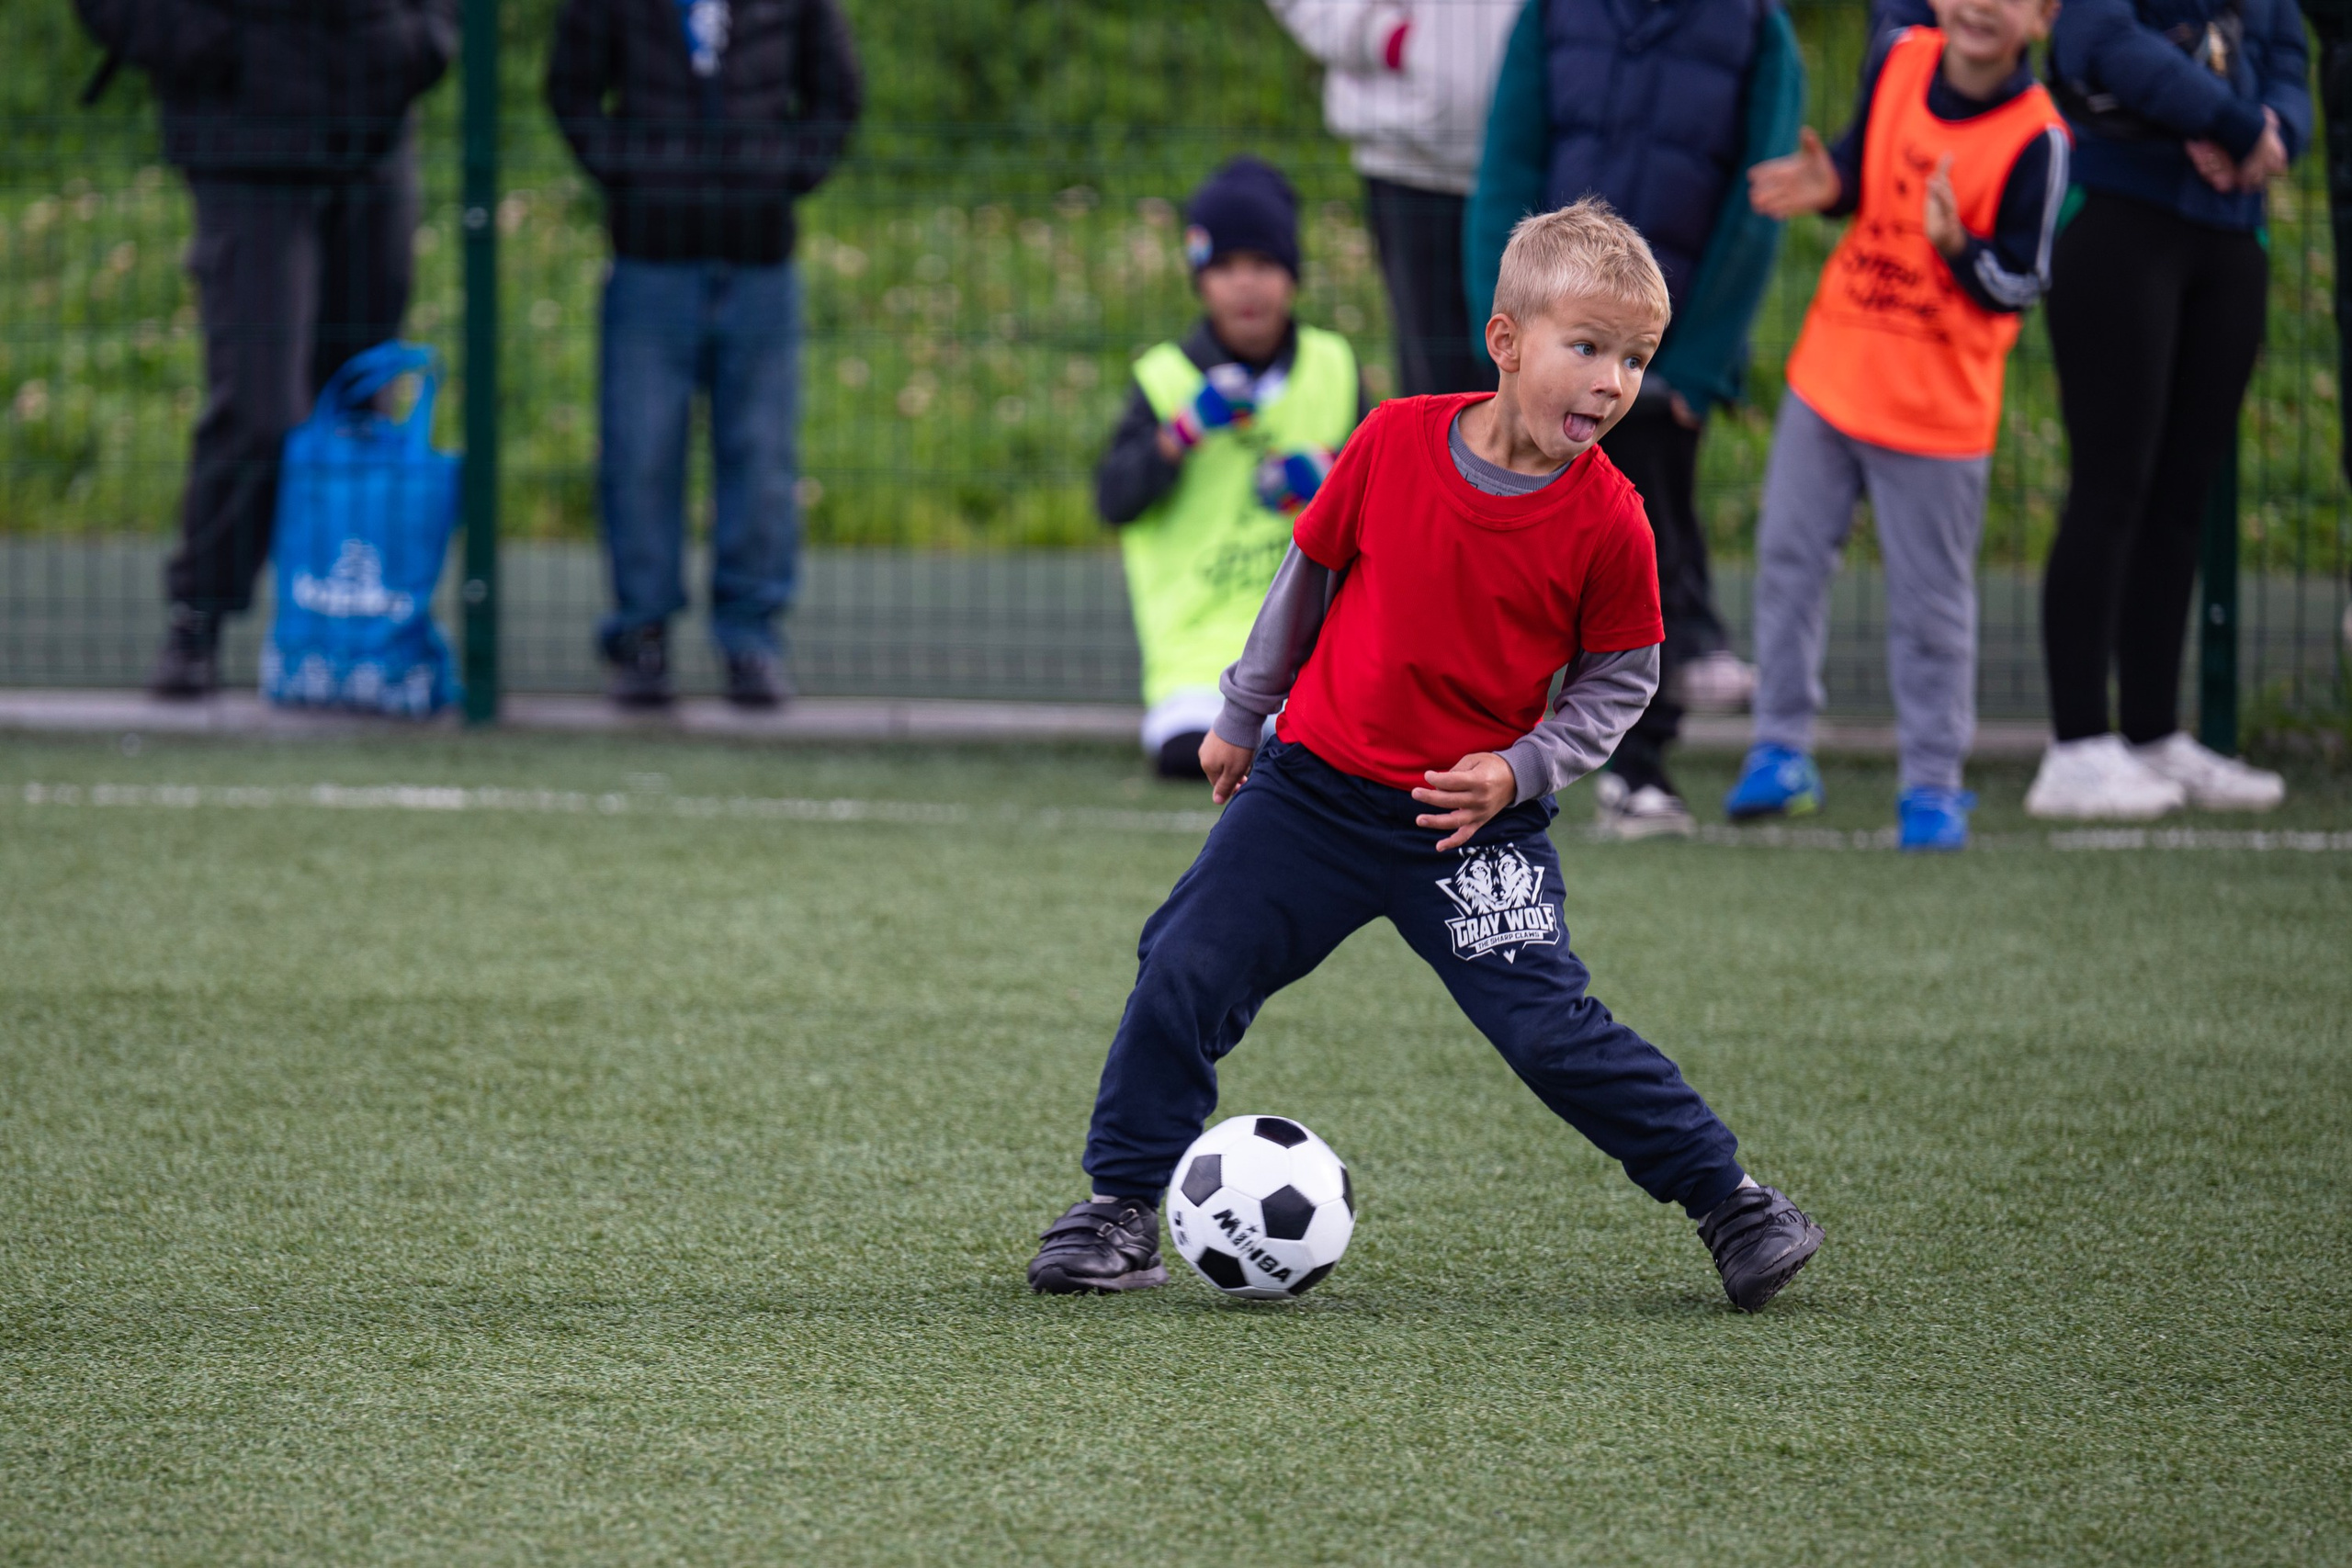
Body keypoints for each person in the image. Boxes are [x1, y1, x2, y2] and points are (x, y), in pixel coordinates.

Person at [1032, 201, 1824, 1314]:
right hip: (1308, 792)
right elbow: (1303, 577)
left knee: (1553, 1035)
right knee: (1183, 965)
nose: (1610, 381)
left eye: (1634, 359)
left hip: (1468, 826)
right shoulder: (1393, 440)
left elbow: (1620, 683)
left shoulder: (1614, 522)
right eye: (1585, 347)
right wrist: (1241, 714)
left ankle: (1733, 1202)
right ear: (1505, 344)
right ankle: (1117, 1209)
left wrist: (1522, 768)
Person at [1730, 0, 2069, 852]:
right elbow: (1857, 167)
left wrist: (1958, 248)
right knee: (1788, 559)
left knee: (1932, 607)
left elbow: (2024, 281)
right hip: (1832, 372)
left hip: (1937, 412)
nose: (1981, 8)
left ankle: (1932, 787)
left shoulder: (2041, 137)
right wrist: (1830, 187)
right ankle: (1780, 749)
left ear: (2043, 17)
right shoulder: (1900, 58)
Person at [1466, 0, 1804, 839]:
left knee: (1642, 553)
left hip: (1663, 363)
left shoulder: (1757, 28)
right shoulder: (1551, 16)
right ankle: (1483, 751)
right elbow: (1506, 167)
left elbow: (1757, 203)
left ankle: (1641, 767)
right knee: (1507, 545)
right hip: (1548, 350)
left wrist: (1690, 363)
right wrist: (1510, 329)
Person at [72, 0, 458, 698]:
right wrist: (211, 50)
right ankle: (200, 616)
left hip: (372, 132)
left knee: (363, 407)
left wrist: (416, 41)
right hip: (243, 138)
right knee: (259, 405)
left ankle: (347, 630)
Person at [2013, 0, 2303, 816]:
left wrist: (2272, 133)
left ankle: (2150, 731)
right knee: (2111, 485)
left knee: (2183, 495)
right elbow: (2094, 39)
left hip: (2231, 232)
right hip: (2119, 219)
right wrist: (2231, 124)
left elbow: (2286, 55)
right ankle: (2075, 746)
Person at [548, 0, 862, 709]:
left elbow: (838, 92)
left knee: (760, 453)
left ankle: (750, 640)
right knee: (640, 452)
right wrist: (633, 173)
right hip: (650, 258)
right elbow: (570, 89)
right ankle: (642, 635)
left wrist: (783, 173)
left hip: (758, 259)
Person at [1096, 157, 1369, 777]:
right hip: (1195, 657)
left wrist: (1331, 476)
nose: (1245, 285)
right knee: (1190, 755)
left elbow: (1397, 501)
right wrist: (1181, 434)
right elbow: (1114, 499)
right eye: (1225, 267)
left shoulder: (1334, 364)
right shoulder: (1164, 379)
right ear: (1200, 280)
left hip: (1316, 651)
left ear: (1292, 276)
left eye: (1264, 265)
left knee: (1330, 754)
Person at [1263, 0, 1520, 396]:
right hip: (1407, 158)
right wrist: (1388, 40)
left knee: (1535, 378)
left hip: (1530, 155)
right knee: (1436, 389)